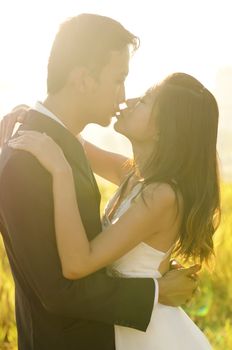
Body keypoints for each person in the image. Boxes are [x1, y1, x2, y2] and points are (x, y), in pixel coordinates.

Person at [0, 14, 199, 350]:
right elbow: (58, 291)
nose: (124, 96)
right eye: (118, 78)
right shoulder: (28, 162)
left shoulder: (61, 146)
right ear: (83, 80)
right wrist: (156, 291)